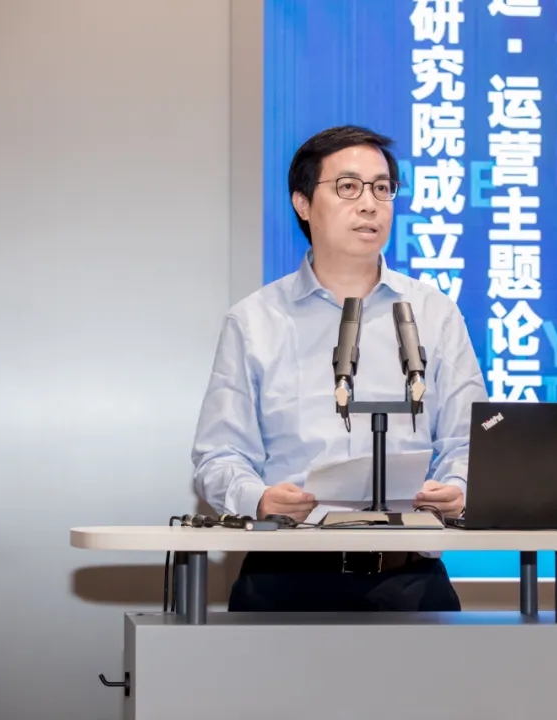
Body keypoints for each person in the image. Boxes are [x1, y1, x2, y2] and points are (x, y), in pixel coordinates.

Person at [191, 125, 487, 612]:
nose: (369, 204)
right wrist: (258, 498)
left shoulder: (434, 314)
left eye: (382, 188)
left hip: (410, 581)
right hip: (284, 577)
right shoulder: (255, 321)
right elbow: (219, 454)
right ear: (303, 203)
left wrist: (459, 489)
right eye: (348, 187)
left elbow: (469, 441)